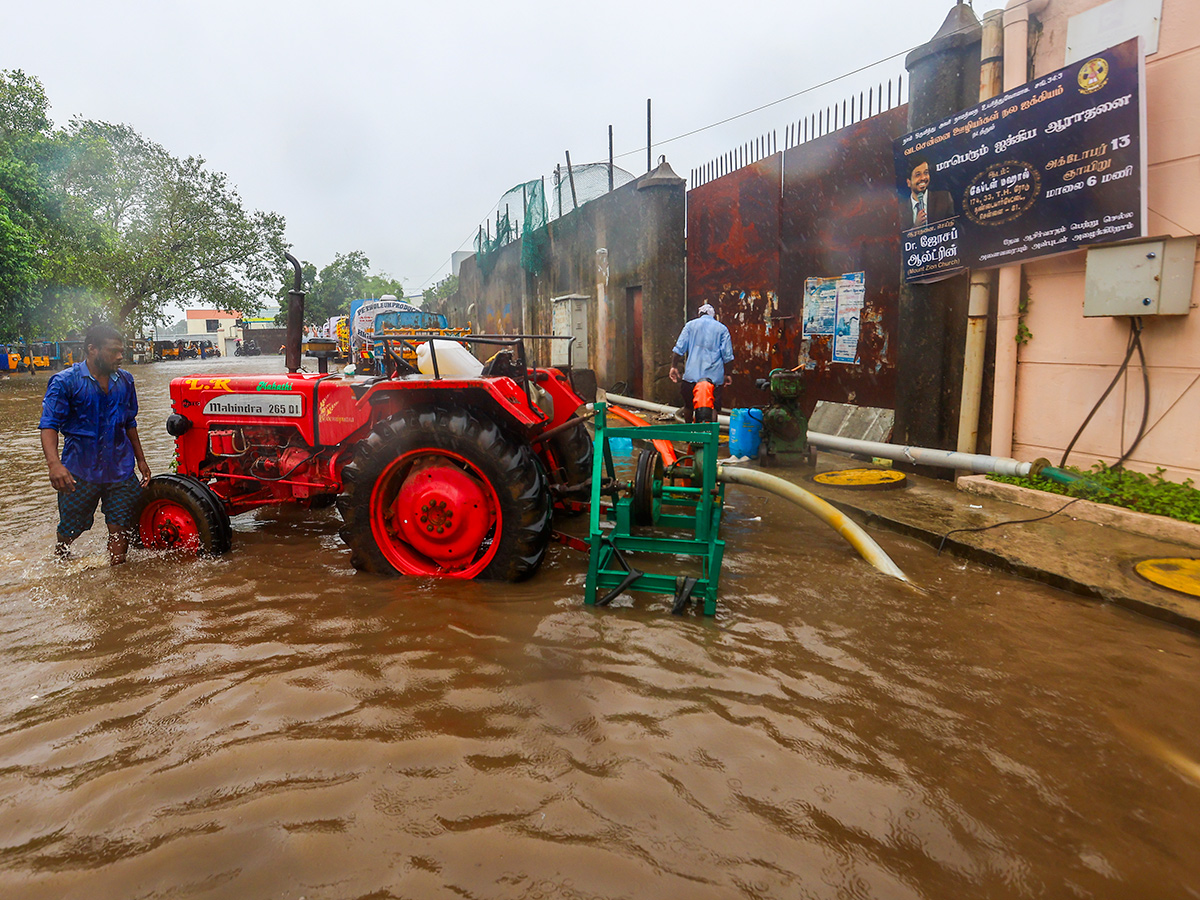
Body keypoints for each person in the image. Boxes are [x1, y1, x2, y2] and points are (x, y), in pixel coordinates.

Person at [39, 323, 152, 565]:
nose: (121, 356)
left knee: (121, 527)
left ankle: (117, 579)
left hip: (120, 469)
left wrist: (141, 460)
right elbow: (49, 424)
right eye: (113, 351)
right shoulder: (65, 382)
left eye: (121, 350)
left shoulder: (125, 381)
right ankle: (61, 556)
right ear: (92, 349)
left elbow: (129, 422)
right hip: (80, 470)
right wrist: (54, 465)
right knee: (72, 527)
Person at [669, 303, 734, 423]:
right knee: (713, 408)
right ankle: (711, 437)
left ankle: (689, 434)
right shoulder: (722, 329)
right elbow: (728, 356)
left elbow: (679, 349)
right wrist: (728, 374)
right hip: (714, 378)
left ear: (699, 314)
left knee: (689, 406)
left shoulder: (690, 326)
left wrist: (674, 366)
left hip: (691, 377)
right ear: (713, 315)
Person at [900, 155, 955, 228]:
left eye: (926, 173)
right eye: (918, 175)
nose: (923, 178)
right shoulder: (900, 211)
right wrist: (916, 227)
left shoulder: (944, 199)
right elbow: (902, 237)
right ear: (908, 182)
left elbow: (954, 227)